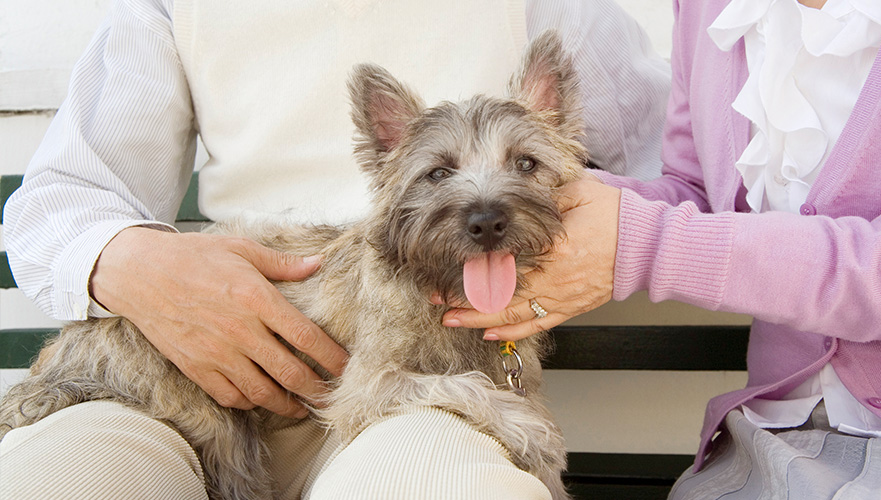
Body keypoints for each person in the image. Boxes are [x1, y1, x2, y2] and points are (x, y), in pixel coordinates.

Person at [1, 0, 670, 498]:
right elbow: (60, 198)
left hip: (419, 393)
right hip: (184, 370)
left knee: (437, 480)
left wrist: (592, 228)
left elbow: (673, 163)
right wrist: (140, 264)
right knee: (64, 477)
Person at [447, 0, 881, 497]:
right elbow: (695, 192)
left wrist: (644, 244)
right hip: (770, 440)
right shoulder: (705, 7)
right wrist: (542, 207)